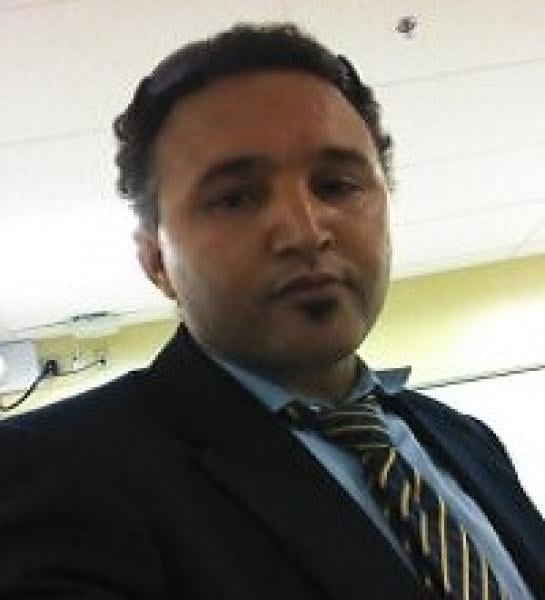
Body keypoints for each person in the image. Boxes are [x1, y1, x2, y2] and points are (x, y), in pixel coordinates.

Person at [0, 23, 543, 599]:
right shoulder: (61, 468)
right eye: (236, 198)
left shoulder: (464, 439)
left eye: (336, 185)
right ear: (157, 262)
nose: (305, 232)